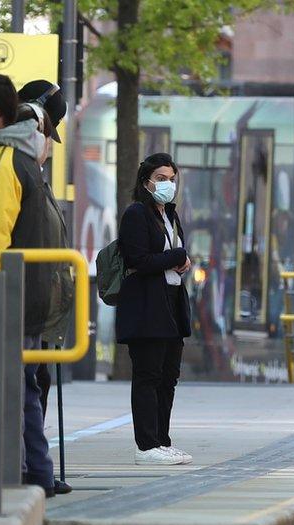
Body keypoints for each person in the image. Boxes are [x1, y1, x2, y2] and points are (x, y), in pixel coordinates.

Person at [0, 76, 70, 497]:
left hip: (18, 293)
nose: (45, 142)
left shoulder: (9, 161)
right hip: (34, 291)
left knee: (23, 387)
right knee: (27, 387)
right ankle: (35, 472)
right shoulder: (24, 161)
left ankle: (31, 473)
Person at [116, 153, 193, 465]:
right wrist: (177, 255)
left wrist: (182, 259)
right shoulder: (136, 214)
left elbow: (174, 256)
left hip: (171, 303)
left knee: (168, 377)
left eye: (172, 179)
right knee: (148, 375)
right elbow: (138, 259)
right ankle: (146, 445)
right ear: (146, 181)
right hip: (147, 306)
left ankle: (162, 440)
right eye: (161, 178)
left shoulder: (170, 216)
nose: (167, 184)